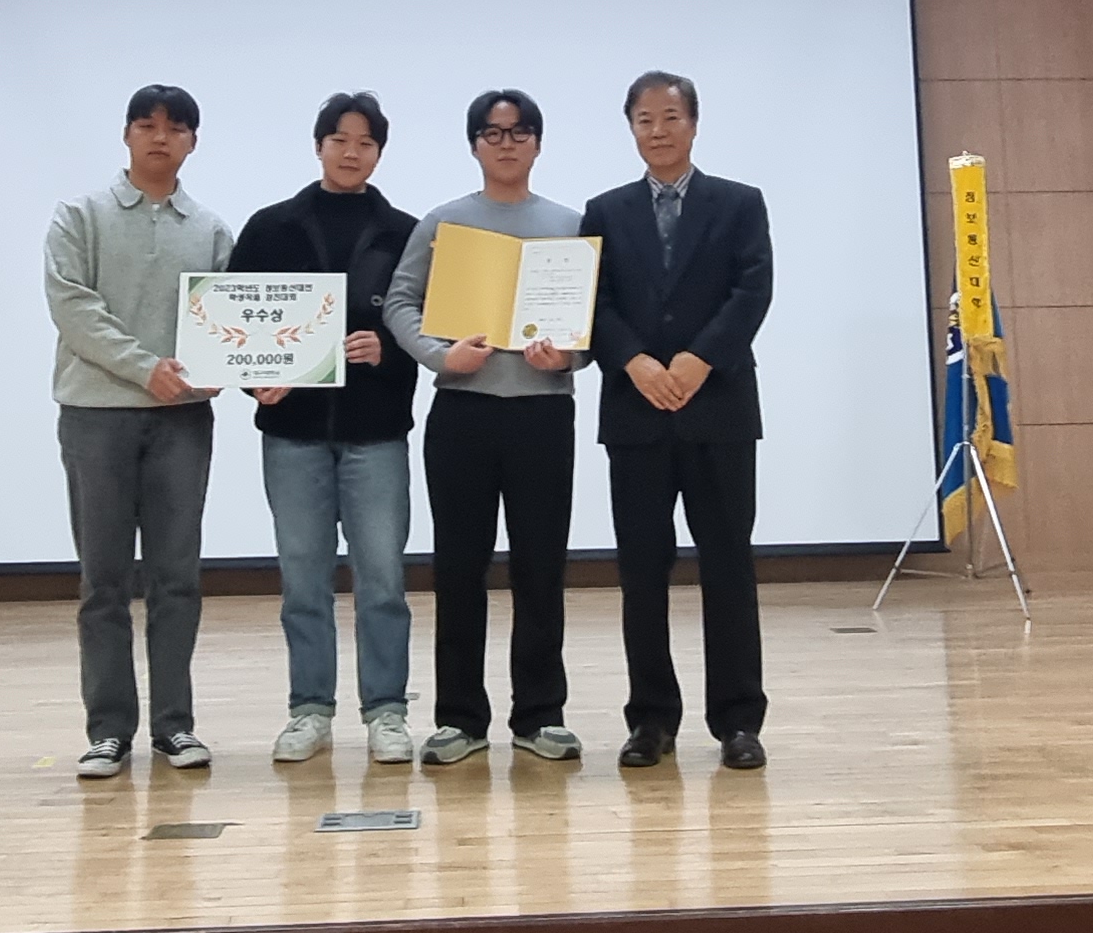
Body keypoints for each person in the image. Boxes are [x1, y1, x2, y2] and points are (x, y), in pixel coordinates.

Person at [383, 90, 587, 767]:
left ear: (538, 143)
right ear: (474, 143)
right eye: (493, 132)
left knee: (541, 566)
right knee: (458, 567)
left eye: (520, 131)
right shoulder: (444, 223)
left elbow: (593, 321)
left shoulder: (569, 225)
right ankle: (460, 718)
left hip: (542, 412)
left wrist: (570, 357)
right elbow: (401, 302)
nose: (507, 143)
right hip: (463, 413)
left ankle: (540, 714)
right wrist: (441, 355)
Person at [584, 71, 776, 771]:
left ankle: (738, 722)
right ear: (631, 128)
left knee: (729, 565)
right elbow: (594, 301)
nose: (658, 130)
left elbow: (752, 289)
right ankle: (651, 720)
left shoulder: (739, 203)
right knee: (641, 570)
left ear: (693, 123)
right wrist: (634, 361)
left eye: (670, 117)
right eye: (644, 119)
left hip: (718, 409)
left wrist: (699, 360)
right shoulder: (604, 210)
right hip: (636, 413)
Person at [42, 84, 235, 780]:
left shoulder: (209, 230)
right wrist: (144, 368)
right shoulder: (80, 216)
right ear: (127, 134)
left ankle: (174, 726)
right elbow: (74, 309)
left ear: (192, 142)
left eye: (176, 128)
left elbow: (227, 322)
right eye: (147, 125)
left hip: (182, 421)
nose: (160, 137)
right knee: (104, 581)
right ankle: (108, 730)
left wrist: (229, 369)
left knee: (177, 578)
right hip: (95, 417)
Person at [224, 93, 423, 766]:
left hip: (377, 434)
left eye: (365, 142)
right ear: (318, 146)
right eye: (339, 139)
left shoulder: (405, 233)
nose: (350, 152)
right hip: (293, 434)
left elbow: (431, 329)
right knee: (303, 580)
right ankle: (309, 709)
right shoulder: (270, 228)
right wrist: (255, 379)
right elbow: (234, 326)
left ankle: (387, 711)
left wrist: (387, 351)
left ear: (379, 153)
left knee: (383, 580)